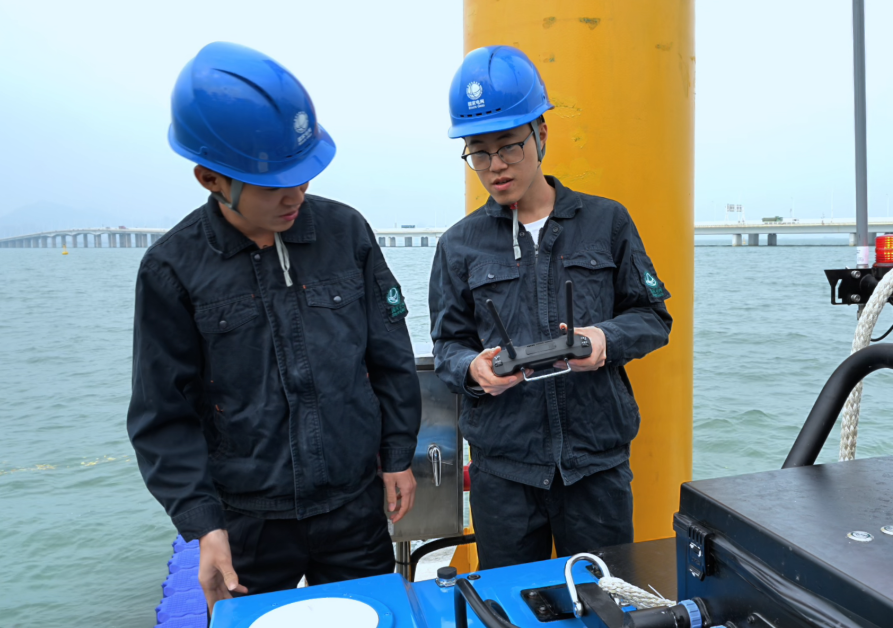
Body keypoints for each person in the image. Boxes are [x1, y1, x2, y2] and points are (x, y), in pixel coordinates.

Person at [127, 42, 421, 612]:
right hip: (248, 525)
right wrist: (204, 525)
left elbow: (389, 355)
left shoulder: (347, 233)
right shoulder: (171, 270)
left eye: (304, 175)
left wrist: (397, 455)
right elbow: (162, 414)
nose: (296, 195)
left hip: (354, 506)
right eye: (273, 183)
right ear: (210, 178)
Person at [428, 46, 674, 569]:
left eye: (509, 147)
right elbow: (447, 344)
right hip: (503, 474)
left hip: (596, 468)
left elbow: (654, 318)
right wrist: (473, 369)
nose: (496, 166)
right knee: (510, 602)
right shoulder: (458, 245)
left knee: (607, 597)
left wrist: (603, 341)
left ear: (541, 134)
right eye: (479, 153)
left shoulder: (607, 222)